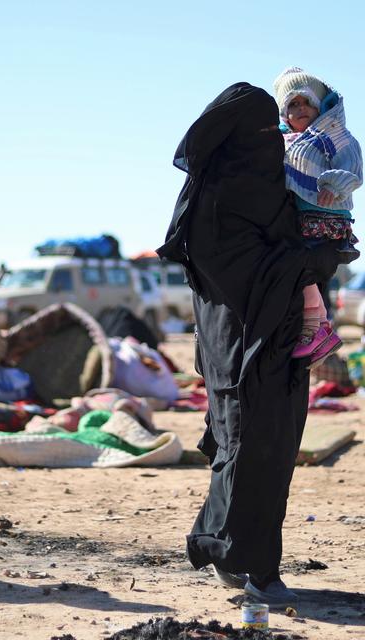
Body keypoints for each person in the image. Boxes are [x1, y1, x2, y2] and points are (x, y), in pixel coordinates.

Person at [157, 83, 350, 606]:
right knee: (255, 454)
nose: (272, 140)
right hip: (250, 350)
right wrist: (321, 260)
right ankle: (258, 571)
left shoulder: (255, 189)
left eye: (275, 129)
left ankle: (226, 552)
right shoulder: (219, 201)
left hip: (262, 345)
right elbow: (253, 271)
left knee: (251, 452)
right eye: (262, 131)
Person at [273, 67, 362, 365]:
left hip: (326, 217)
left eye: (306, 102)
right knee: (295, 267)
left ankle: (320, 327)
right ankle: (316, 327)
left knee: (300, 266)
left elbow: (353, 164)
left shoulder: (330, 133)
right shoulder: (285, 141)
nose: (300, 109)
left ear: (319, 106)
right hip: (303, 220)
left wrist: (333, 184)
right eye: (292, 105)